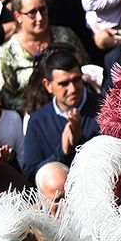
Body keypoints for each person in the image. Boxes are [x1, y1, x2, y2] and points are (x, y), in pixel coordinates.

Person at [20, 50, 102, 181]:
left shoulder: (105, 108)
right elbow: (31, 174)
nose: (73, 89)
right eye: (64, 83)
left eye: (76, 80)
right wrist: (63, 152)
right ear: (48, 85)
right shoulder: (38, 122)